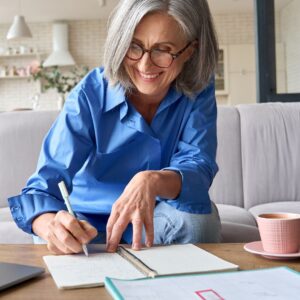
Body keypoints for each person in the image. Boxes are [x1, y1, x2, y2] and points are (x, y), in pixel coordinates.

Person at [8, 0, 221, 255]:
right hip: (86, 225)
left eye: (163, 50)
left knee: (200, 220)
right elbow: (44, 184)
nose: (144, 65)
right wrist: (48, 223)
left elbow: (198, 165)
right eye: (134, 47)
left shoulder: (198, 89)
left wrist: (152, 180)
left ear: (190, 51)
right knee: (49, 237)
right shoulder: (90, 94)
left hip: (153, 220)